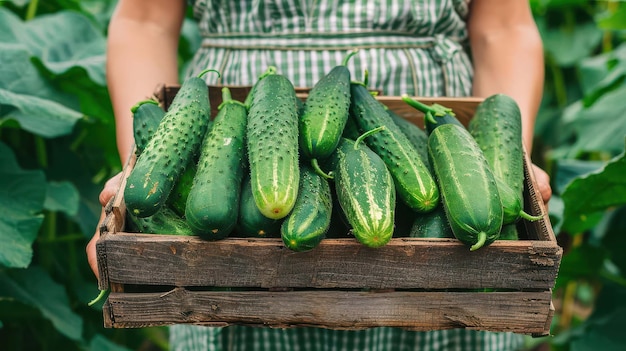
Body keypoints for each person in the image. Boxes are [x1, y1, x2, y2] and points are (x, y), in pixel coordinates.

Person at [87, 0, 553, 350]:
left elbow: (504, 27)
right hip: (239, 136)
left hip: (424, 145)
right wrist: (143, 165)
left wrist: (506, 165)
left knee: (443, 269)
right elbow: (144, 20)